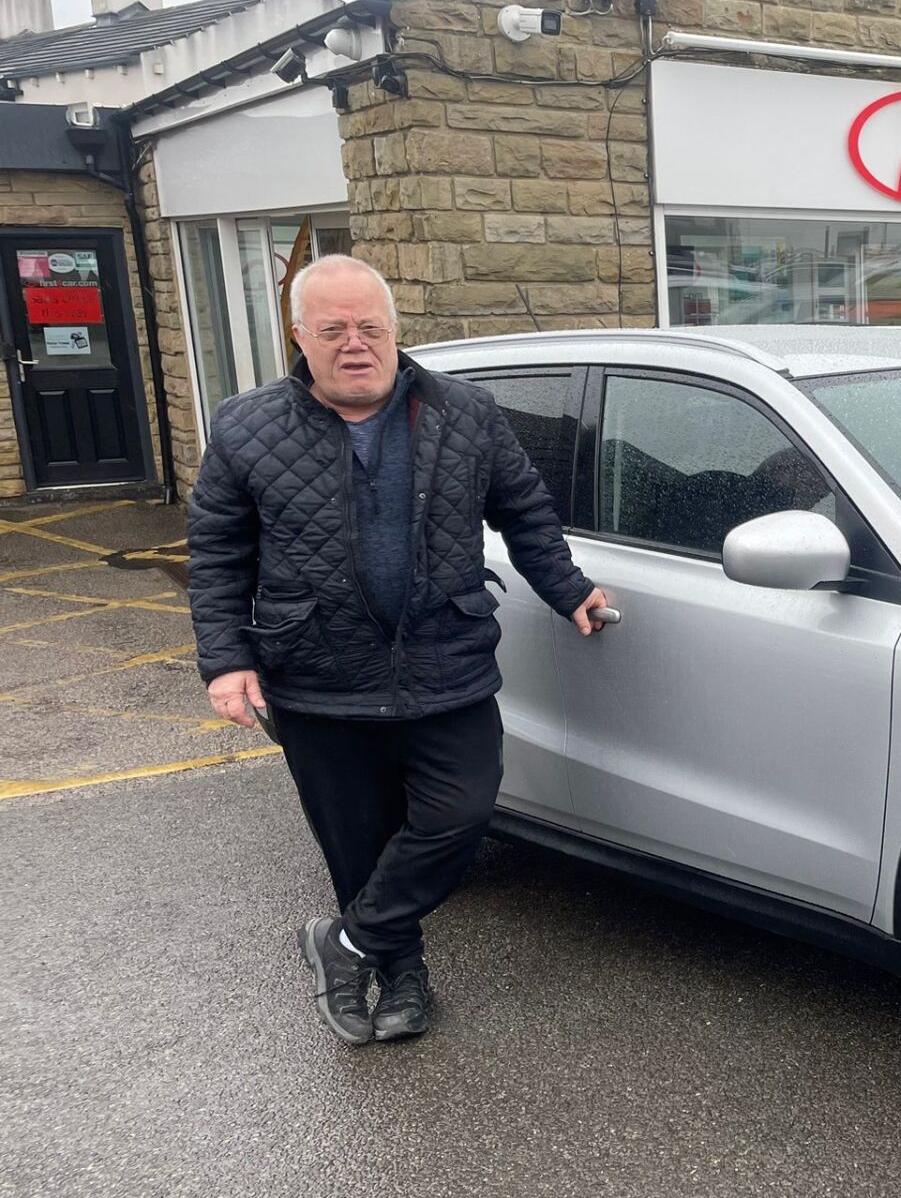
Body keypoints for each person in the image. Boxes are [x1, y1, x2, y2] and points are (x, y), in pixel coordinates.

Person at [187, 254, 609, 1046]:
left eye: (370, 327)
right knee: (356, 840)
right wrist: (226, 658)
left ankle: (344, 943)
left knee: (460, 815)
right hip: (315, 674)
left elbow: (526, 511)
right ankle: (400, 973)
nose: (356, 343)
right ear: (299, 336)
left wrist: (569, 588)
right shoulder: (246, 425)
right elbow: (216, 554)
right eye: (334, 329)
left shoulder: (466, 413)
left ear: (394, 331)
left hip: (444, 663)